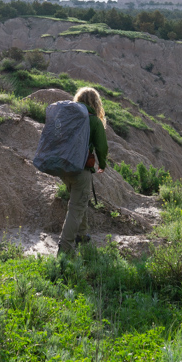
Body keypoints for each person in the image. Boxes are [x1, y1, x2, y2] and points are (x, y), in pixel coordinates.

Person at [58, 86, 108, 256]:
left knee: (80, 202)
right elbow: (102, 147)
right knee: (75, 207)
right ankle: (64, 250)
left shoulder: (69, 118)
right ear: (95, 103)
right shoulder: (93, 121)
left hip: (64, 168)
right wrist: (102, 164)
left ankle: (82, 236)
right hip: (81, 170)